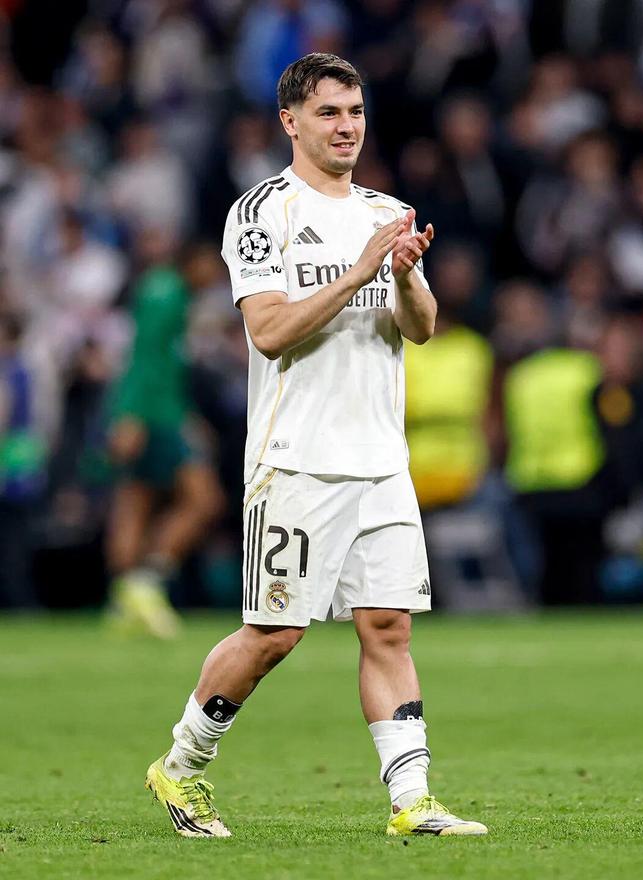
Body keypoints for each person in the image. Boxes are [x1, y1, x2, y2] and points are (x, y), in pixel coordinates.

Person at [145, 53, 487, 839]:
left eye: (356, 111)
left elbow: (421, 328)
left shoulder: (387, 211)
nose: (346, 127)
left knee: (389, 626)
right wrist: (361, 271)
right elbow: (268, 331)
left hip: (382, 460)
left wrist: (404, 274)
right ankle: (182, 764)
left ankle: (412, 800)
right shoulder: (260, 213)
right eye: (329, 112)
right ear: (290, 121)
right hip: (296, 458)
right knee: (275, 634)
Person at [105, 230, 223, 638]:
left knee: (136, 501)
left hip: (162, 411)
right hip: (154, 415)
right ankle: (146, 584)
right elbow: (145, 357)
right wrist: (131, 416)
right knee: (203, 500)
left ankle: (125, 600)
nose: (216, 275)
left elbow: (161, 361)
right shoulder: (166, 293)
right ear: (195, 260)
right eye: (213, 265)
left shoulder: (170, 291)